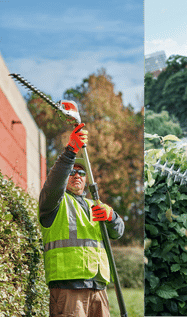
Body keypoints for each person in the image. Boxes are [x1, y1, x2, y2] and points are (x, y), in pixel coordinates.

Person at [38, 124, 125, 317]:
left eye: (82, 173)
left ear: (86, 179)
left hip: (99, 288)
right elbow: (54, 184)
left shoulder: (96, 205)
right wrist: (70, 151)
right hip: (68, 289)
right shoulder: (54, 202)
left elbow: (117, 232)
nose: (77, 175)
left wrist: (112, 217)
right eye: (72, 172)